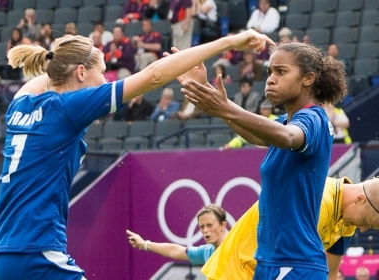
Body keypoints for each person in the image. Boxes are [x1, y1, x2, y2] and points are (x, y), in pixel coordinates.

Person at [0, 29, 275, 279]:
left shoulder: (19, 104)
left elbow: (52, 77)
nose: (106, 80)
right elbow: (154, 75)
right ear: (81, 72)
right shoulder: (71, 107)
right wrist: (229, 42)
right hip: (35, 252)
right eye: (101, 71)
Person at [179, 41, 348, 279]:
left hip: (296, 262)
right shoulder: (285, 121)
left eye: (281, 71)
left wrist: (225, 107)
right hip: (271, 260)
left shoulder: (314, 119)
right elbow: (256, 133)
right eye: (269, 72)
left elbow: (287, 137)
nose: (271, 78)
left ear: (308, 79)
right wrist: (209, 94)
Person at [202, 176, 379, 280]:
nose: (362, 230)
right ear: (360, 200)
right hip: (235, 271)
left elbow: (330, 272)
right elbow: (290, 265)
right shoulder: (317, 203)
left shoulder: (348, 220)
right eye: (367, 222)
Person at [127, 205, 227, 265]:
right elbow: (175, 250)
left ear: (223, 225)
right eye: (202, 226)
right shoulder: (206, 252)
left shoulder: (236, 246)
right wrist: (144, 244)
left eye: (209, 225)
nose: (205, 230)